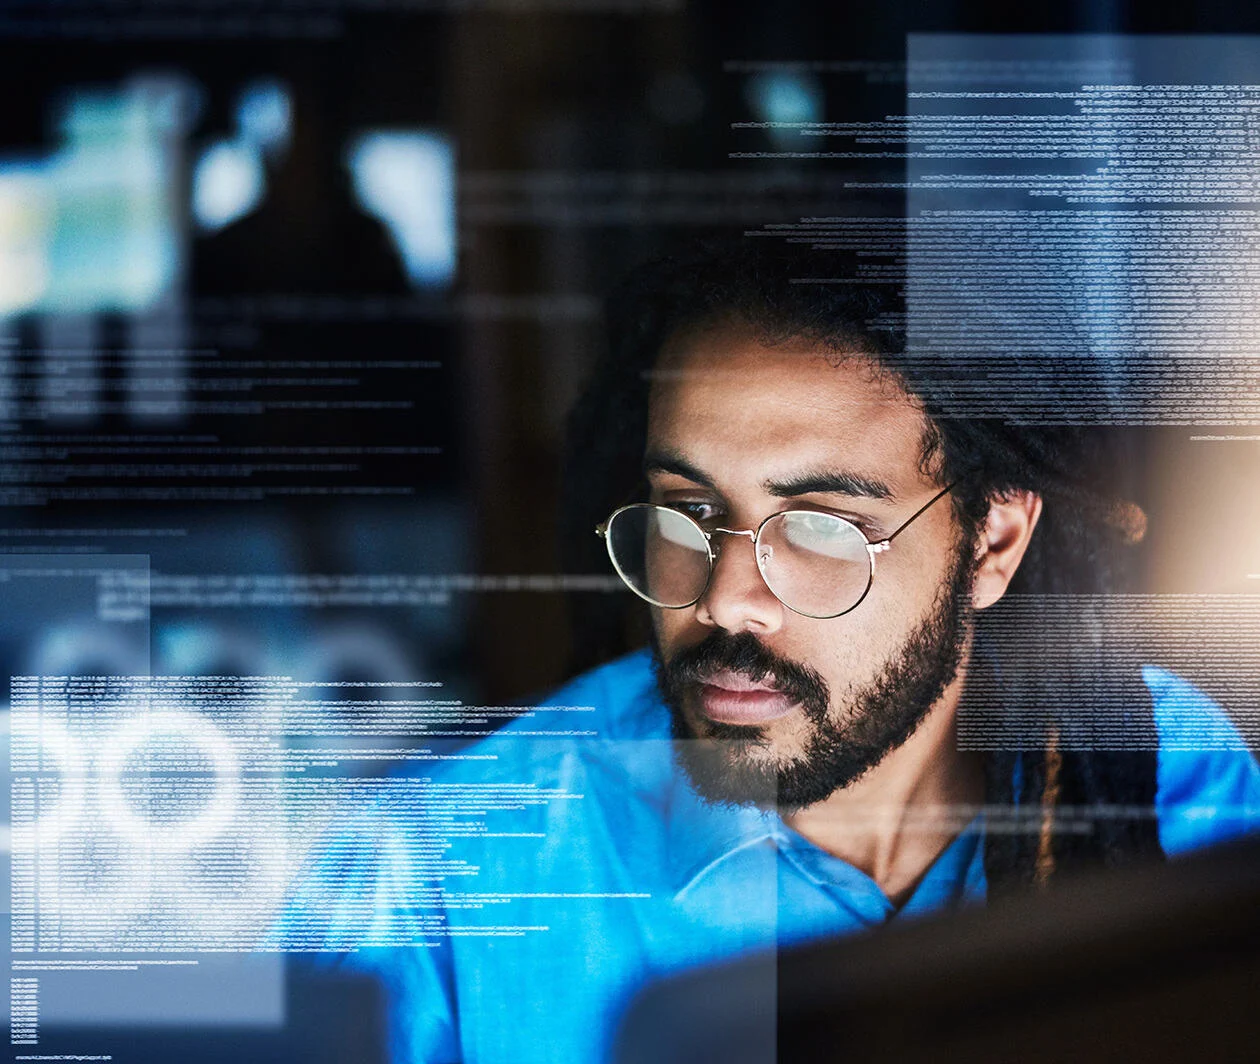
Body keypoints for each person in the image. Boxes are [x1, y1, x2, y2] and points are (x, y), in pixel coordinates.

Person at [275, 239, 1260, 1064]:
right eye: (690, 512)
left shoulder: (1163, 766)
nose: (726, 598)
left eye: (822, 527)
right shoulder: (434, 873)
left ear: (991, 544)